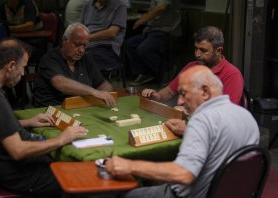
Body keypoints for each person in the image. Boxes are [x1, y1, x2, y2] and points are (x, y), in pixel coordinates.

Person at [0, 38, 88, 197]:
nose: (23, 73)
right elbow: (18, 150)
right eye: (23, 68)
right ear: (11, 65)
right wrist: (62, 138)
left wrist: (25, 122)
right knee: (81, 174)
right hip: (18, 175)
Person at [105, 65, 260, 198]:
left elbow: (183, 174)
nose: (179, 101)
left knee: (124, 194)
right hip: (230, 193)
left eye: (184, 93)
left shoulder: (202, 120)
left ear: (205, 92)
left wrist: (129, 166)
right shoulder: (247, 117)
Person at [32, 23, 115, 107]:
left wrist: (105, 94)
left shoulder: (86, 58)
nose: (81, 50)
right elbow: (61, 84)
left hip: (78, 107)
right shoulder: (50, 58)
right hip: (51, 109)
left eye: (84, 46)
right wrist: (94, 92)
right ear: (64, 40)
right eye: (77, 45)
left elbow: (104, 84)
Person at [127, 0, 181, 85]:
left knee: (143, 49)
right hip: (151, 30)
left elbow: (161, 7)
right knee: (130, 44)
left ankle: (167, 68)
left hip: (166, 30)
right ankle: (144, 73)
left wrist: (144, 19)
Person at [80, 0, 127, 71]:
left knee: (85, 58)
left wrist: (87, 37)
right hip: (85, 44)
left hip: (105, 46)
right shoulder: (88, 4)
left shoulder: (120, 5)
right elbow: (81, 27)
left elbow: (112, 32)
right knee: (62, 53)